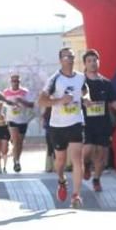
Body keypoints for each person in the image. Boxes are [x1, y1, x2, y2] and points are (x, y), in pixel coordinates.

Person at [39, 47, 89, 208]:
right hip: (57, 125)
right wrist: (59, 101)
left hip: (75, 122)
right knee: (59, 161)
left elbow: (85, 91)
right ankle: (61, 180)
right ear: (60, 60)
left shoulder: (81, 77)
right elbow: (41, 101)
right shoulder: (54, 79)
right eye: (66, 57)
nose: (70, 59)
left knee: (77, 159)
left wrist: (87, 98)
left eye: (72, 56)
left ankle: (76, 195)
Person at [81, 49, 116, 193]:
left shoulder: (106, 83)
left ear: (99, 62)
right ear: (85, 64)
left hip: (103, 123)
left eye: (95, 60)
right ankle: (85, 164)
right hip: (86, 123)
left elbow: (115, 103)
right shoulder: (80, 81)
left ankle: (96, 179)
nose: (93, 63)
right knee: (88, 149)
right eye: (89, 61)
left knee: (102, 155)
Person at [3, 74, 35, 173]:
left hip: (23, 120)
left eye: (17, 81)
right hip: (11, 119)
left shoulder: (25, 92)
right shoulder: (6, 92)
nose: (15, 83)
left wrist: (22, 101)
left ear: (19, 82)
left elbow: (31, 105)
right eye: (13, 81)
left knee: (20, 142)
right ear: (10, 82)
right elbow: (2, 103)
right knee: (16, 140)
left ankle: (17, 159)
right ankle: (16, 162)